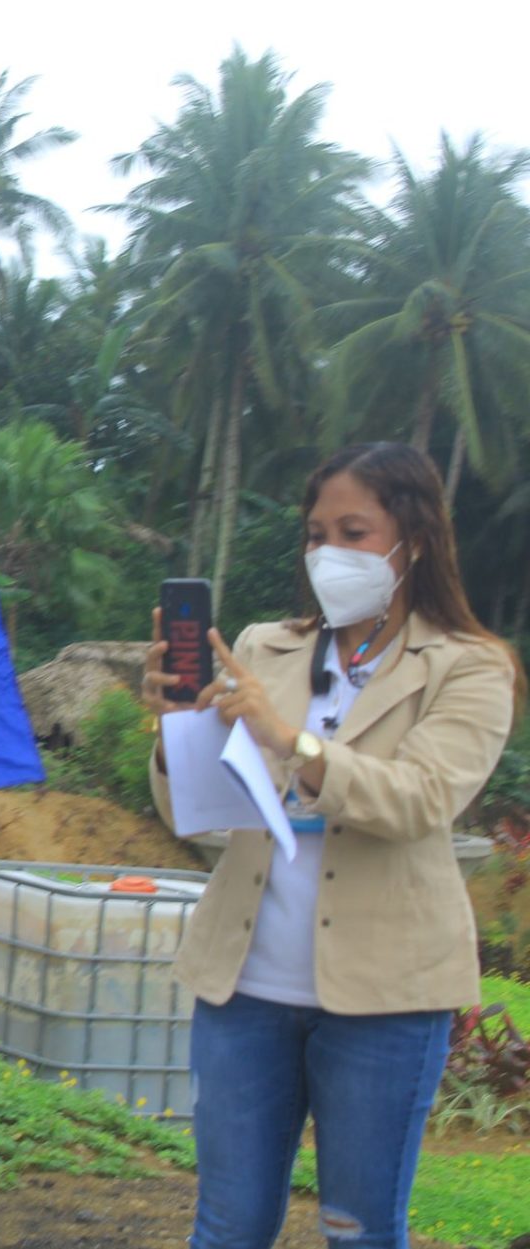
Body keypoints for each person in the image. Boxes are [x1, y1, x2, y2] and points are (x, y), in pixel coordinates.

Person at [141, 442, 520, 1249]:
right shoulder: (262, 647)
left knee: (358, 1229)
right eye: (317, 532)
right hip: (245, 989)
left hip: (384, 1001)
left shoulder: (470, 667)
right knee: (227, 1223)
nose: (328, 552)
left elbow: (422, 799)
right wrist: (175, 736)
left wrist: (292, 743)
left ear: (410, 539)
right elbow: (200, 810)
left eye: (354, 530)